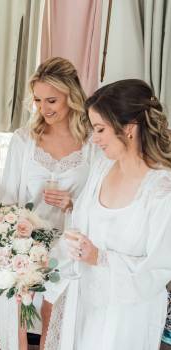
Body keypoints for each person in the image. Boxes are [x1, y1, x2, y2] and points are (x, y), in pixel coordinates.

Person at [0, 57, 95, 350]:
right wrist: (9, 237)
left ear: (71, 97)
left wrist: (74, 203)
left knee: (54, 311)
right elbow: (9, 194)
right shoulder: (25, 139)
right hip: (26, 240)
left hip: (69, 241)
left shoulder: (92, 142)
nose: (44, 109)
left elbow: (99, 196)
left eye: (52, 100)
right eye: (37, 100)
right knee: (19, 310)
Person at [58, 79, 171, 349]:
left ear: (128, 129)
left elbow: (158, 269)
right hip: (84, 300)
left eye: (99, 129)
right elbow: (79, 226)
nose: (93, 139)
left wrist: (100, 258)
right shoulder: (100, 168)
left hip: (128, 315)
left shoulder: (162, 190)